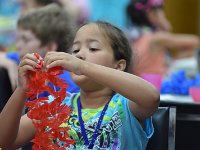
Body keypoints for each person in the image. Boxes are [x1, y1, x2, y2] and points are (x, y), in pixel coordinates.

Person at [0, 21, 160, 149]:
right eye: (75, 50)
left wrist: (83, 67)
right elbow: (6, 141)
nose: (80, 55)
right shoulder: (55, 106)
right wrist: (22, 89)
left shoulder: (127, 106)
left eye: (93, 48)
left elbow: (151, 97)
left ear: (118, 66)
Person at [0, 3, 79, 93]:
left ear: (50, 47)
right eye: (18, 39)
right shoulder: (21, 60)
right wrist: (8, 62)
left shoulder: (67, 87)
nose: (18, 46)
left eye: (25, 40)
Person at [126, 0, 200, 77]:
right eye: (161, 11)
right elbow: (196, 41)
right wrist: (165, 24)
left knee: (190, 52)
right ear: (151, 14)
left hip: (142, 81)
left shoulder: (135, 35)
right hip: (155, 82)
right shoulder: (156, 38)